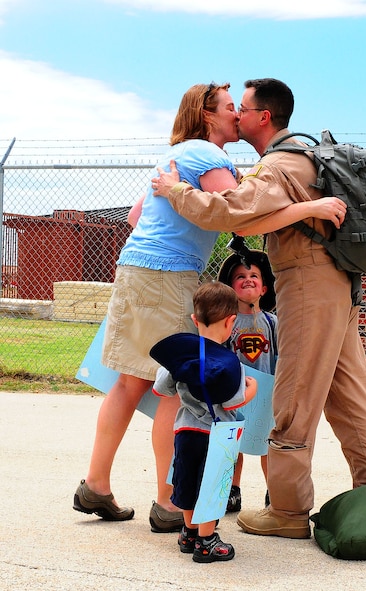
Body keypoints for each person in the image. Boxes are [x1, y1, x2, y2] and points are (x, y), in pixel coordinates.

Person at [73, 80, 349, 532]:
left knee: (131, 383)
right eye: (228, 108)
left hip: (137, 269)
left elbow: (134, 217)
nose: (236, 115)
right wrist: (308, 207)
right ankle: (167, 502)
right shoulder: (209, 155)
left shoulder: (177, 156)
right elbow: (243, 214)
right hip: (167, 275)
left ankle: (96, 485)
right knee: (176, 386)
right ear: (208, 116)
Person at [151, 77, 366, 540]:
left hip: (306, 282)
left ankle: (287, 510)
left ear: (264, 117)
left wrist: (175, 190)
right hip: (339, 284)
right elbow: (259, 214)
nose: (235, 115)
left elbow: (228, 211)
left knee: (295, 395)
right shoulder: (306, 155)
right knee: (348, 392)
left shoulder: (279, 165)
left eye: (241, 108)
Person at [150, 281, 258, 563]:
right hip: (218, 434)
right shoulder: (232, 363)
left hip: (185, 429)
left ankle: (188, 531)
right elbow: (233, 402)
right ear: (232, 322)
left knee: (186, 480)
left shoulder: (184, 356)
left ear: (194, 320)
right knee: (212, 485)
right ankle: (207, 540)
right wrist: (253, 389)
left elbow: (161, 389)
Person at [218, 245, 277, 512]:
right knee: (235, 443)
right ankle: (232, 488)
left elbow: (279, 354)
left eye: (254, 276)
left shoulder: (272, 322)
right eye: (240, 276)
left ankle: (275, 490)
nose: (248, 279)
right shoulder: (227, 321)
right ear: (230, 288)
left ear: (264, 289)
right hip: (235, 389)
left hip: (265, 392)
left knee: (268, 444)